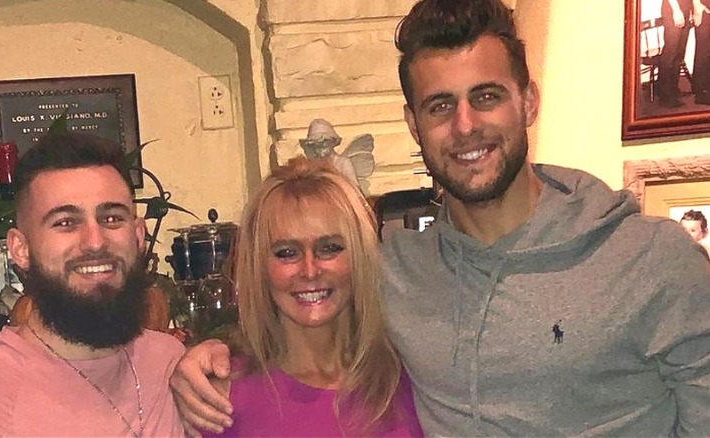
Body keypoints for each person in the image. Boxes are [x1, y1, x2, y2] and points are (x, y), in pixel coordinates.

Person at [171, 0, 710, 436]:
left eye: (487, 96)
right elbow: (304, 302)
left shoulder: (650, 259)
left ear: (527, 102)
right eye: (440, 105)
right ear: (414, 123)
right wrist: (208, 351)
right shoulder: (396, 271)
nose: (466, 125)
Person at [0, 132, 186, 436]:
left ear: (138, 235)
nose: (95, 242)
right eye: (65, 222)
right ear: (20, 249)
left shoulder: (170, 362)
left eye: (112, 218)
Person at [202, 156, 422, 437]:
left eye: (329, 247)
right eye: (287, 252)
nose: (309, 270)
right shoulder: (221, 398)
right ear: (259, 267)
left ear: (359, 257)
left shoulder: (409, 376)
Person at [657, 0, 694, 108]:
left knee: (679, 54)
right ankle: (665, 96)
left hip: (685, 9)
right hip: (674, 10)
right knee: (670, 53)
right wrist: (676, 10)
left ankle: (673, 90)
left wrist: (690, 11)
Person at [692, 0, 710, 105]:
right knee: (702, 52)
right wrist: (697, 6)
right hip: (703, 8)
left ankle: (707, 88)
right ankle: (700, 92)